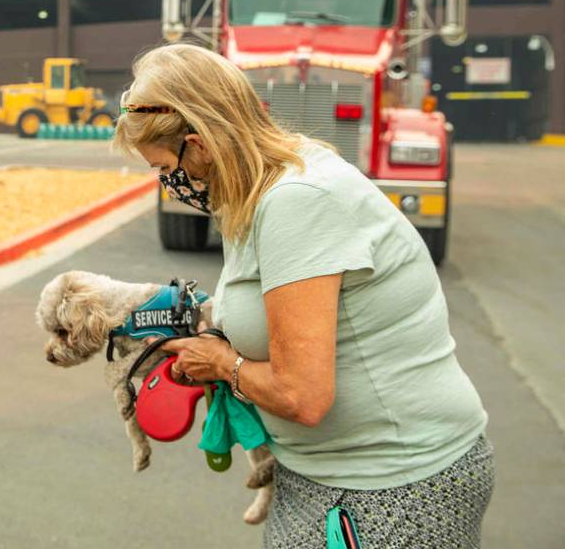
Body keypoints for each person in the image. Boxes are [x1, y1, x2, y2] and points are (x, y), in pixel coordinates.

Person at [112, 43, 493, 549]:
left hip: (391, 485)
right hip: (326, 474)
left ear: (200, 144)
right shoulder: (255, 188)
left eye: (165, 167)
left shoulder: (298, 201)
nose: (168, 182)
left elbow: (303, 396)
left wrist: (224, 363)